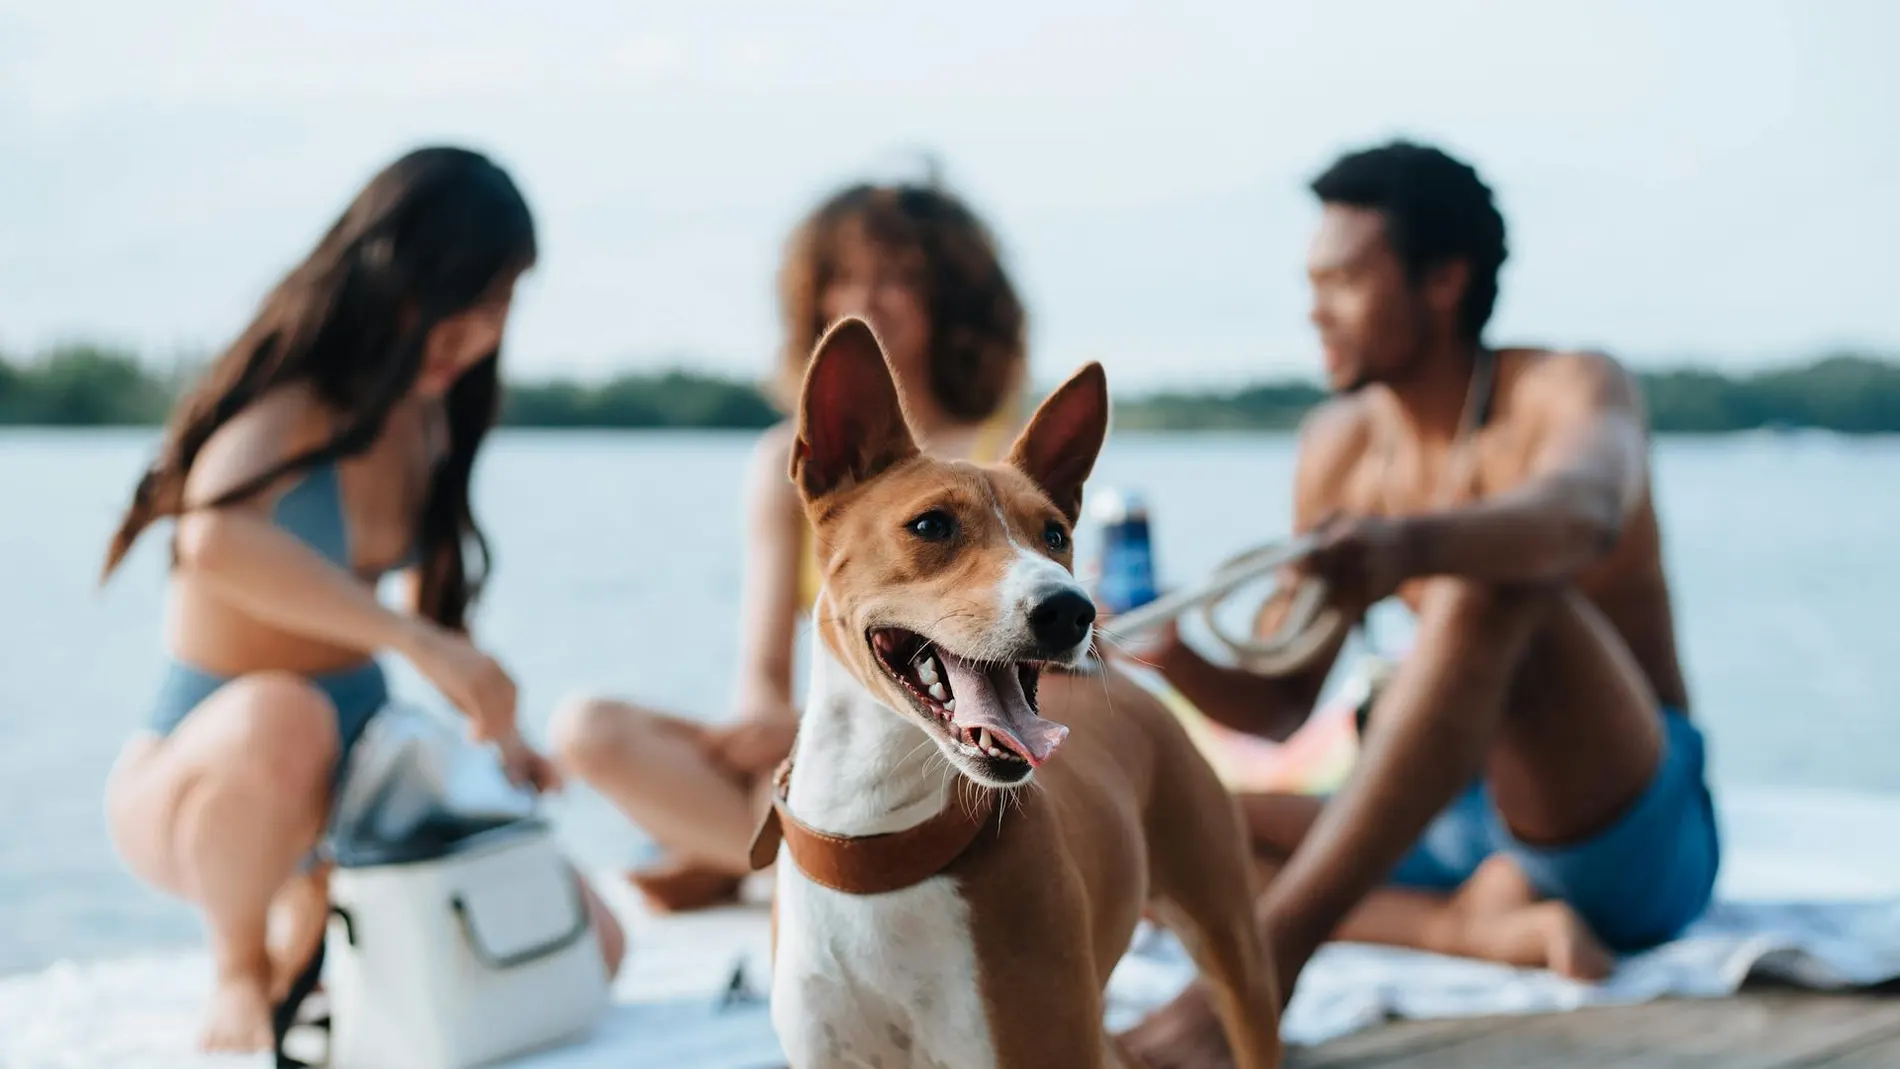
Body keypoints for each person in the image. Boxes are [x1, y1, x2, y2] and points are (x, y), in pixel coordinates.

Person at [1119, 140, 1719, 1064]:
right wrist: (1168, 651)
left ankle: (1252, 982)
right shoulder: (1341, 446)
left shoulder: (1568, 387)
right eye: (1311, 280)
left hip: (1627, 825)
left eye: (1347, 278)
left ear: (1443, 281)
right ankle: (1471, 927)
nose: (1315, 308)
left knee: (1493, 590)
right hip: (1448, 819)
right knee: (1157, 830)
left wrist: (1408, 545)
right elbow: (1280, 704)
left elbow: (1582, 516)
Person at [99, 147, 625, 1054]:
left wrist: (502, 741)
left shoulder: (428, 414)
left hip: (363, 768)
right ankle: (238, 969)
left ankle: (308, 921)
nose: (479, 331)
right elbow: (210, 537)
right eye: (466, 299)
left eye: (501, 306)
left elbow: (441, 612)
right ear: (392, 277)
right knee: (283, 714)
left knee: (589, 945)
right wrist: (410, 639)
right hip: (211, 769)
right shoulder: (295, 401)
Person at [551, 177, 1032, 912]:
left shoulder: (1005, 452)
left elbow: (1046, 646)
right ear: (813, 299)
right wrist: (774, 726)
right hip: (822, 736)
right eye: (844, 277)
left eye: (899, 278)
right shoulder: (791, 462)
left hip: (959, 736)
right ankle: (768, 850)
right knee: (588, 729)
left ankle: (750, 855)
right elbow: (764, 675)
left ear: (954, 302)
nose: (868, 299)